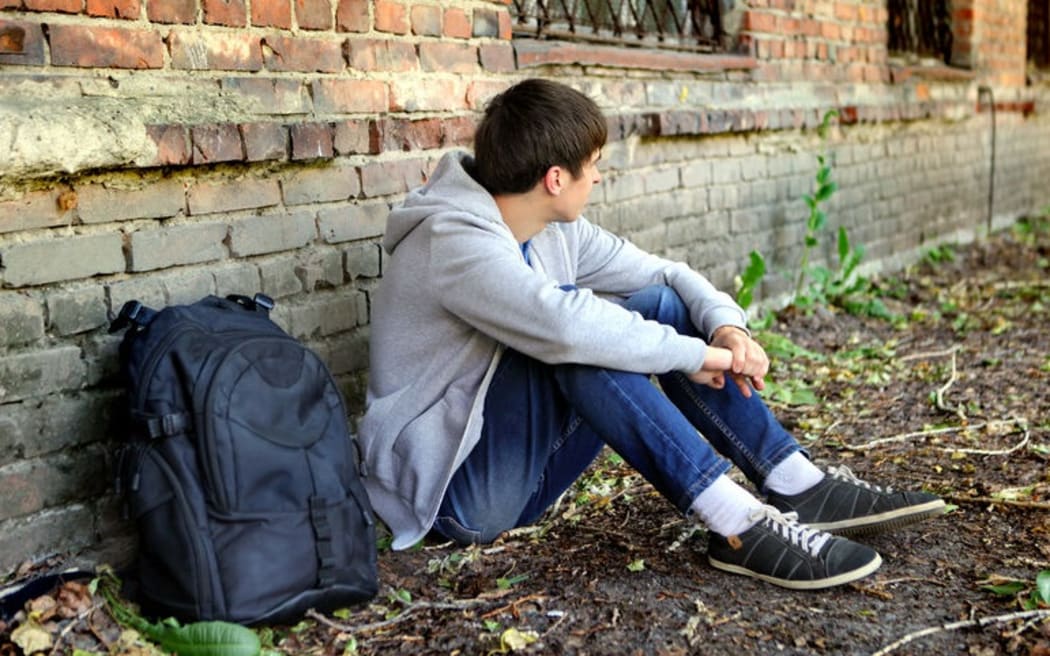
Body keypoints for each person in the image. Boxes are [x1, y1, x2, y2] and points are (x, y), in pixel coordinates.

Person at [358, 78, 945, 590]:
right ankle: (737, 524)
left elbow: (667, 274)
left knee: (656, 304)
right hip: (455, 495)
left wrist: (726, 325)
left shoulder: (556, 231)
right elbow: (566, 328)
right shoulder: (454, 241)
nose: (600, 175)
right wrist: (693, 356)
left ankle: (796, 483)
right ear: (556, 178)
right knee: (580, 336)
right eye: (594, 164)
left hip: (525, 476)